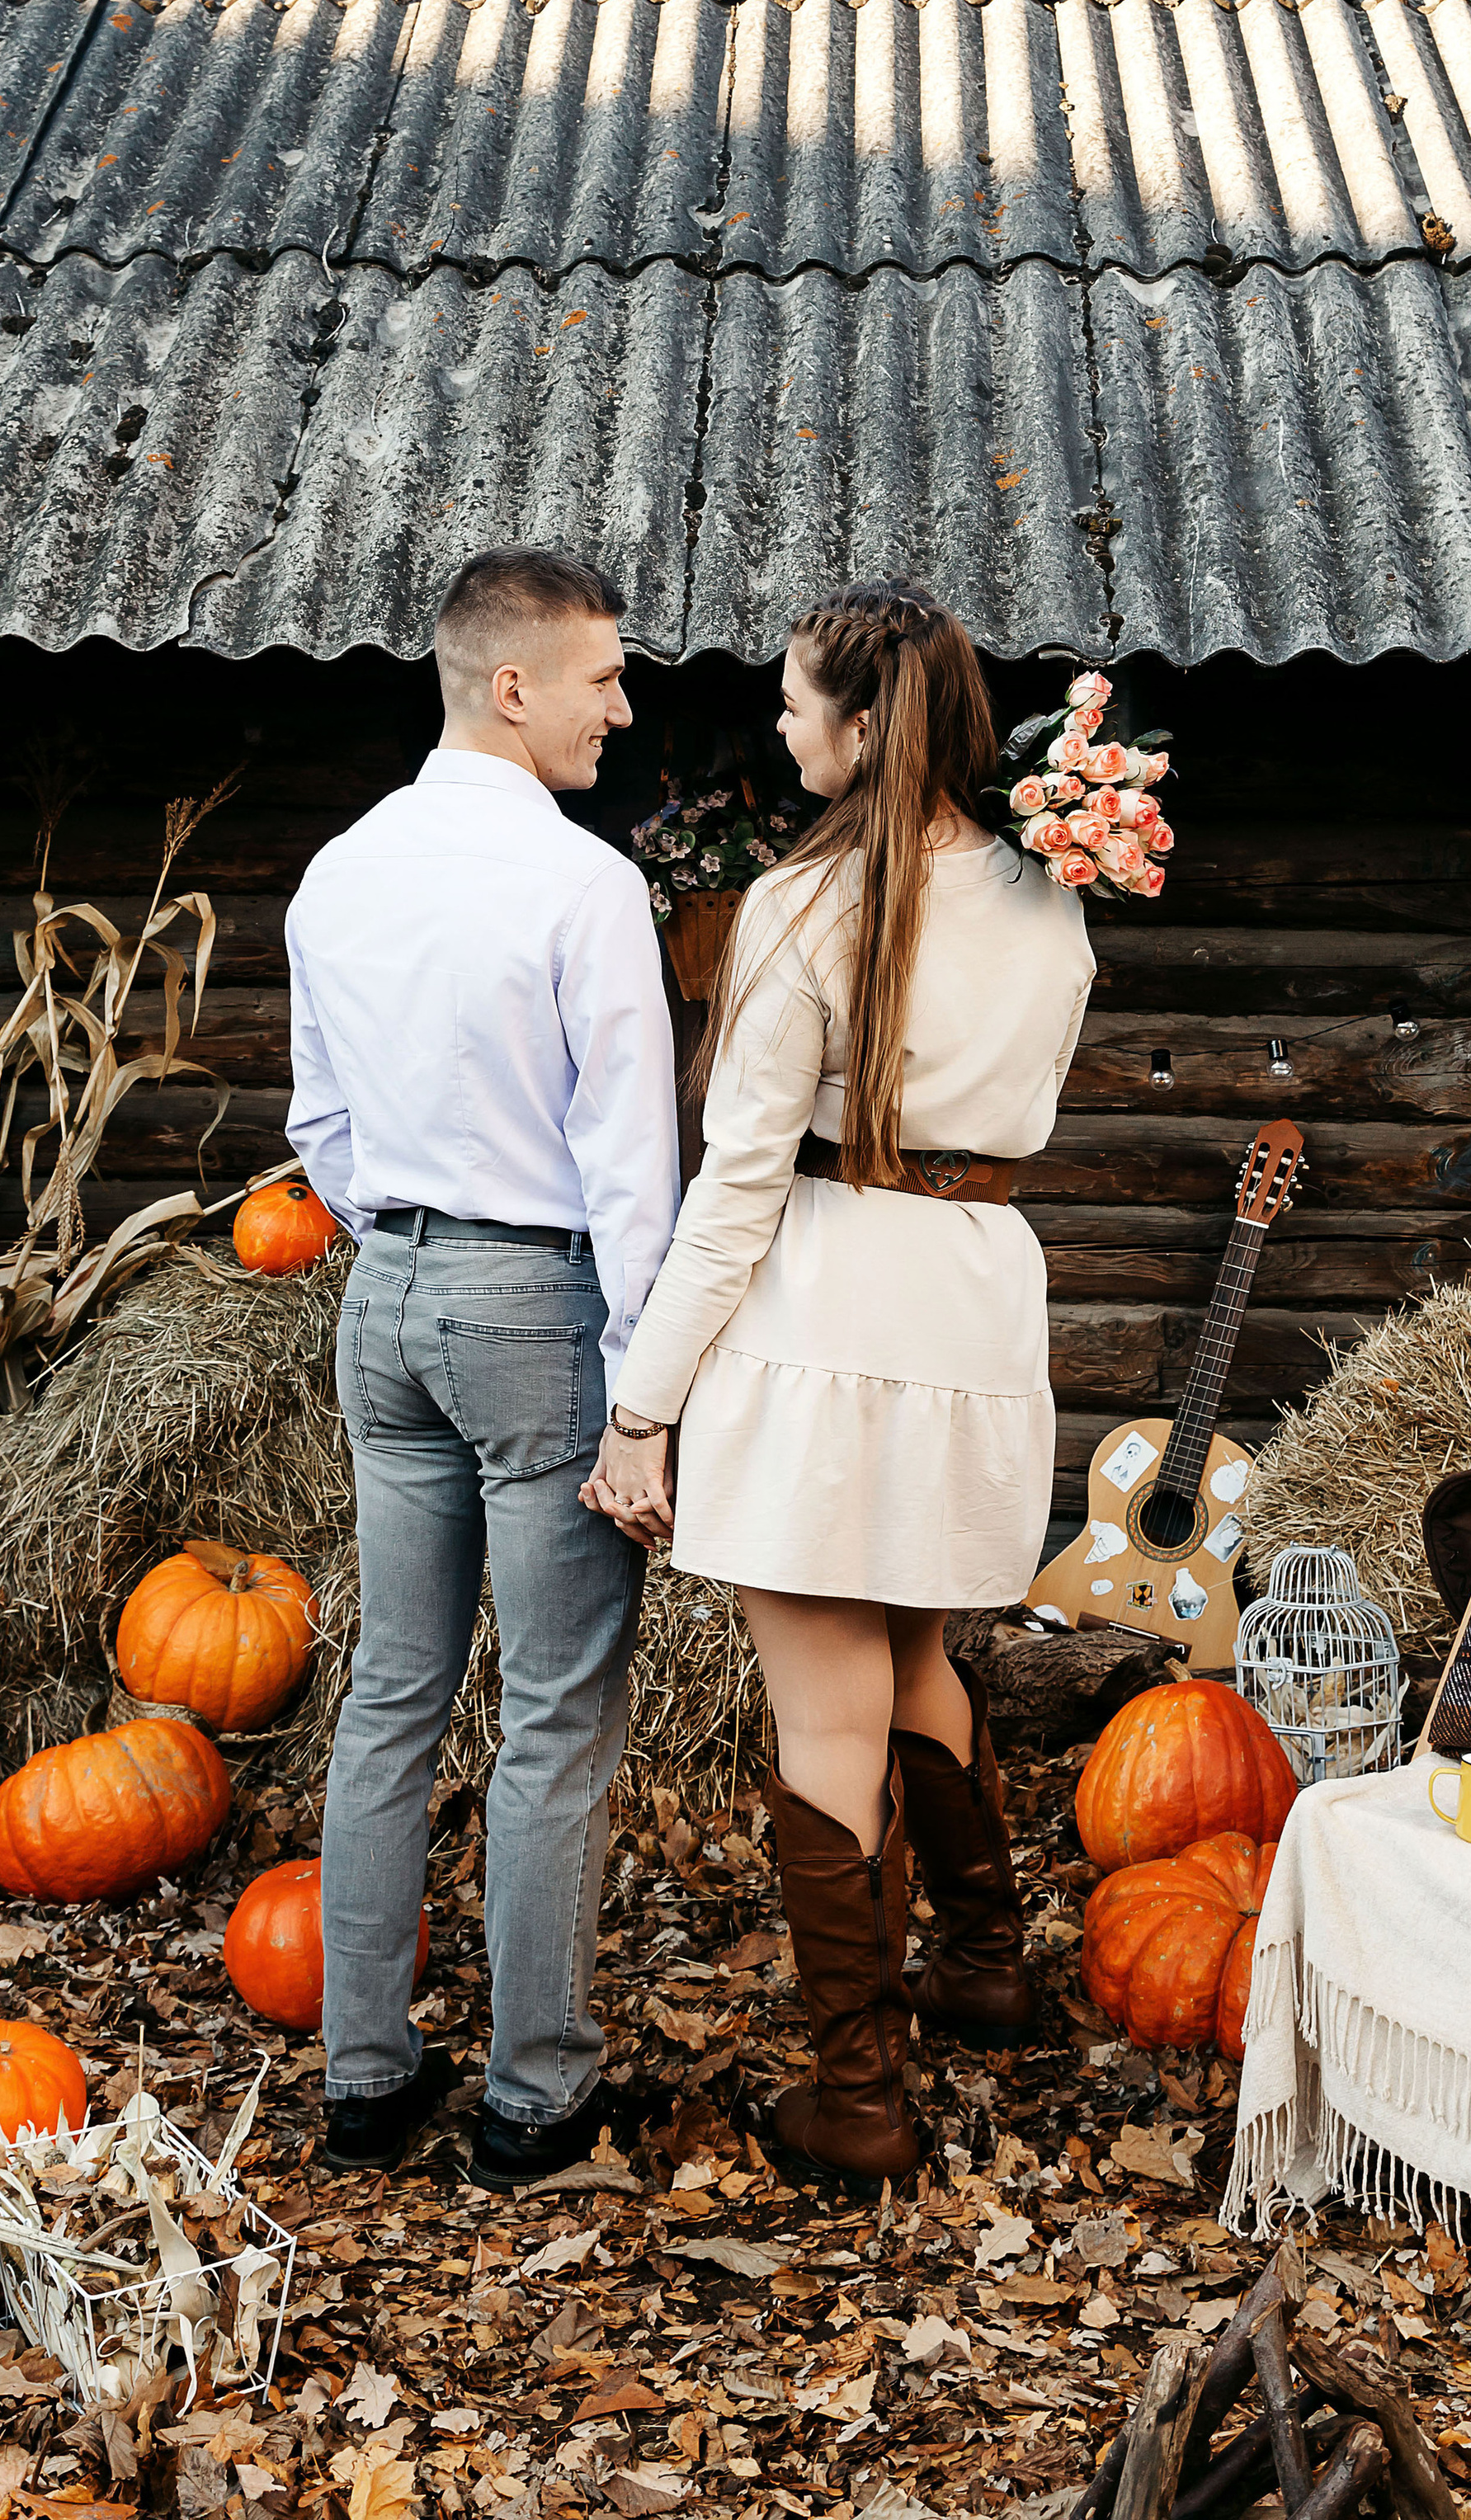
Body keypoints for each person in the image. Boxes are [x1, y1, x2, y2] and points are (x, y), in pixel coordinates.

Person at [584, 581, 1095, 2188]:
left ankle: (858, 2097)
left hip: (826, 1316)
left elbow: (737, 1183)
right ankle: (988, 1964)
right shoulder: (1047, 895)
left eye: (799, 700)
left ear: (863, 720)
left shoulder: (801, 910)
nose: (781, 722)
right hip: (973, 1300)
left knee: (827, 1706)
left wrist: (641, 1403)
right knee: (915, 1649)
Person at [286, 548, 678, 2184]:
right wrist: (644, 1390)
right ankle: (534, 2091)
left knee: (392, 1683)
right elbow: (629, 1162)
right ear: (509, 684)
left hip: (383, 1294)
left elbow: (318, 1126)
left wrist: (399, 1230)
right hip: (537, 1304)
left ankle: (363, 2075)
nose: (623, 701)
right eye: (601, 673)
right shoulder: (582, 885)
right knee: (552, 1704)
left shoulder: (336, 873)